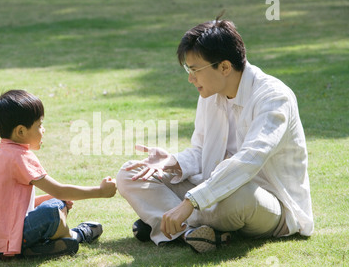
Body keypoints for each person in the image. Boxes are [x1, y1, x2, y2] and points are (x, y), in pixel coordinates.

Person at [116, 15, 313, 253]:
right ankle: (188, 232)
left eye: (195, 69)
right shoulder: (210, 93)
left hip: (264, 203)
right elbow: (201, 151)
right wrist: (174, 162)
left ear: (225, 67)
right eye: (188, 69)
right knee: (130, 173)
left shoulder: (273, 98)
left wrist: (191, 201)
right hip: (211, 190)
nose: (190, 78)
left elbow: (249, 161)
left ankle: (164, 221)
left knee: (237, 194)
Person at [0, 89, 117, 261]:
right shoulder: (19, 156)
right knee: (53, 209)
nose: (43, 130)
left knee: (55, 202)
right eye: (39, 125)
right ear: (21, 131)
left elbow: (7, 209)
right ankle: (77, 235)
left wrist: (48, 199)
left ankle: (38, 248)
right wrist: (101, 191)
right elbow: (60, 191)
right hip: (5, 244)